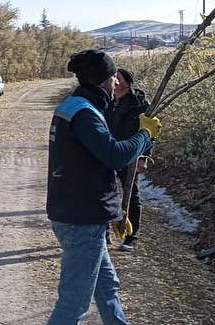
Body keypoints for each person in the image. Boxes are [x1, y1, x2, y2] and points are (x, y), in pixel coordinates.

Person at [46, 49, 161, 324]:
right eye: (113, 77)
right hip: (82, 220)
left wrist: (114, 214)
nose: (116, 82)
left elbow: (89, 165)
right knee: (73, 304)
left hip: (82, 214)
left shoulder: (76, 105)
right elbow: (114, 155)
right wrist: (144, 136)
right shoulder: (84, 113)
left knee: (107, 288)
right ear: (104, 80)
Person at [106, 68, 151, 252]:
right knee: (105, 193)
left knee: (131, 195)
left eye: (119, 76)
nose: (115, 79)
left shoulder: (139, 103)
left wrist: (144, 158)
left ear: (128, 82)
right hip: (106, 153)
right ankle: (104, 233)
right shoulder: (104, 99)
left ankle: (131, 238)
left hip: (130, 156)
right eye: (113, 76)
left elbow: (149, 132)